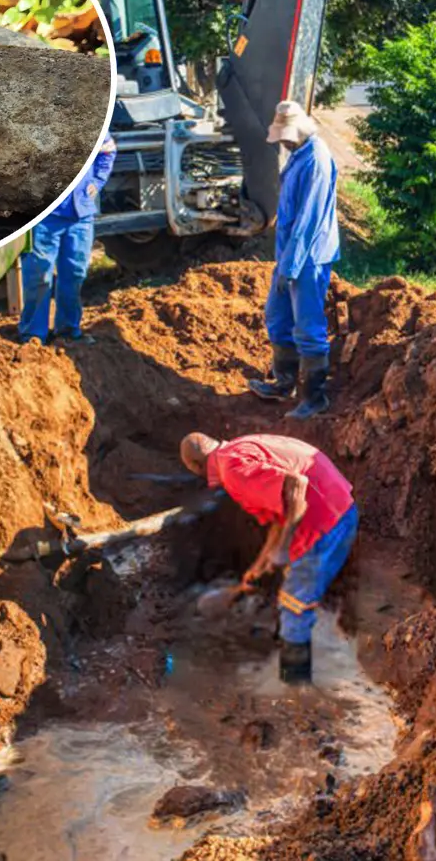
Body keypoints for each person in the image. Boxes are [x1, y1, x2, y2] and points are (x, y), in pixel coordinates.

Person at [179, 430, 358, 684]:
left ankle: (294, 688)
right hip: (336, 507)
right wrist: (260, 564)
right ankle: (316, 648)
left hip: (327, 522)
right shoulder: (239, 449)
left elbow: (297, 485)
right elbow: (280, 515)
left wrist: (284, 548)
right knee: (293, 594)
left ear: (196, 467)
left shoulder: (233, 469)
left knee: (293, 606)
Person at [248, 100, 339, 419]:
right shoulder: (299, 154)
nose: (283, 141)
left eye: (286, 135)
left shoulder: (316, 159)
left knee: (308, 326)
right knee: (277, 315)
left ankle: (315, 397)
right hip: (290, 255)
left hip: (309, 257)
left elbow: (309, 222)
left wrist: (290, 267)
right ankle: (284, 381)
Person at [17, 136, 117, 346]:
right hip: (44, 216)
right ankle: (33, 335)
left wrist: (97, 180)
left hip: (80, 215)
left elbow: (108, 150)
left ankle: (68, 330)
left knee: (74, 273)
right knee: (39, 275)